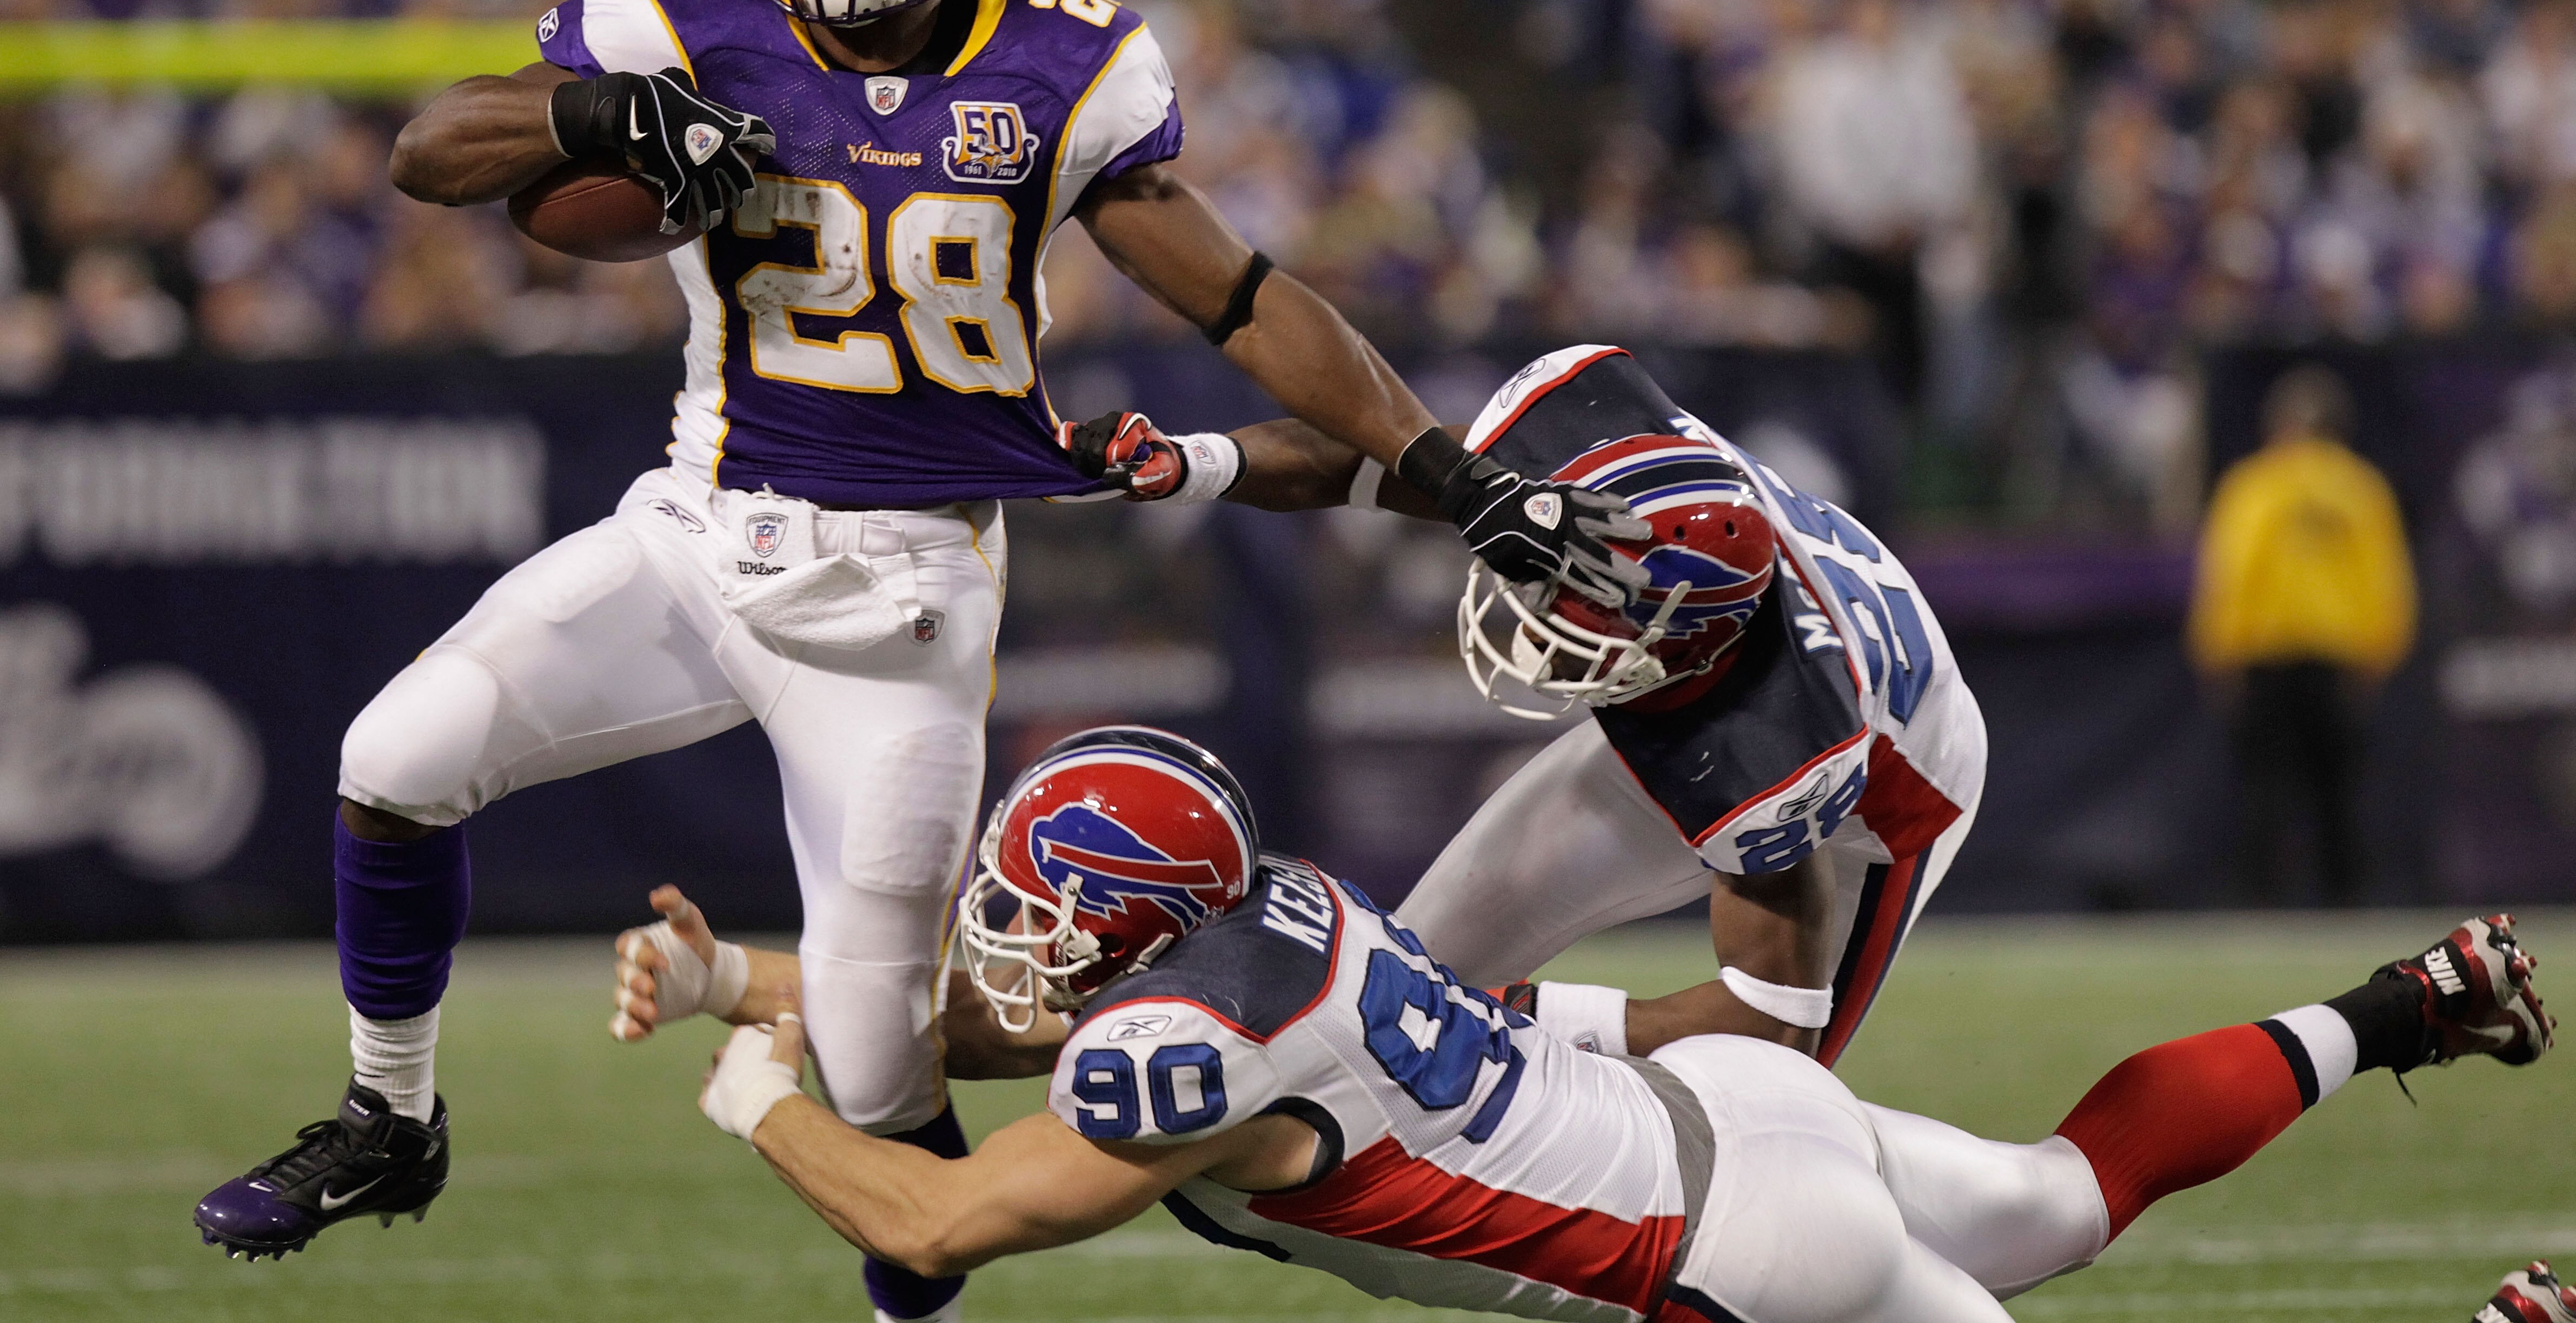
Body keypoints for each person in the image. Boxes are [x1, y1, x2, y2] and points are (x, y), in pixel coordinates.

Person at [189, 0, 1650, 1312]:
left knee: (882, 1060)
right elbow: (429, 150)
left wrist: (1455, 475)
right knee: (394, 756)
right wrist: (604, 122)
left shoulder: (1060, 65)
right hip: (696, 520)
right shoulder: (689, 9)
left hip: (900, 599)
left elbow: (1241, 300)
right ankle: (388, 1118)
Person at [612, 724, 2552, 1323]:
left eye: (1040, 918)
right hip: (1740, 1111)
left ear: (1132, 937)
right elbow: (998, 1019)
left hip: (1735, 1248)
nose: (999, 952)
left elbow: (937, 1216)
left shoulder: (1171, 1053)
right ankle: (2407, 999)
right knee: (2065, 1183)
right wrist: (746, 972)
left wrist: (751, 1087)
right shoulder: (1281, 924)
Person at [1068, 343, 1984, 1067]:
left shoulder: (1778, 743)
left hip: (1886, 798)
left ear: (1684, 647)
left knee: (1775, 1108)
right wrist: (1196, 460)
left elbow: (1769, 1020)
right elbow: (1381, 458)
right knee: (1398, 983)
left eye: (1588, 623)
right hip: (1739, 674)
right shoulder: (1590, 441)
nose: (1541, 624)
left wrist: (1538, 1022)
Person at [2189, 363, 2416, 905]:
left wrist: (2218, 650)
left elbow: (2232, 573)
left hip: (2267, 659)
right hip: (2336, 661)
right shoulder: (2360, 488)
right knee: (2337, 791)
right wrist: (2381, 653)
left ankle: (2262, 904)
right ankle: (2346, 904)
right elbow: (2386, 582)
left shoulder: (2255, 485)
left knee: (2264, 791)